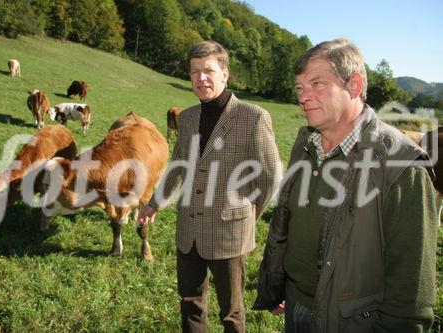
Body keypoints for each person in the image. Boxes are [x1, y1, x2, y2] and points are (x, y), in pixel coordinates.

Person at [253, 38, 438, 332]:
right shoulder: (305, 144)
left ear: (353, 85)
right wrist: (280, 283)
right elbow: (287, 223)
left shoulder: (401, 165)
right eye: (300, 88)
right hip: (295, 303)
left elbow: (410, 288)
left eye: (317, 84)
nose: (303, 97)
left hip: (353, 322)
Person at [138, 40, 282, 332]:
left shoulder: (253, 117)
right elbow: (177, 166)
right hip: (188, 229)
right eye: (194, 72)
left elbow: (269, 178)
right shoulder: (188, 118)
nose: (201, 78)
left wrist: (247, 215)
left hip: (230, 231)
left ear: (224, 74)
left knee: (231, 311)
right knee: (190, 304)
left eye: (208, 70)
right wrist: (154, 202)